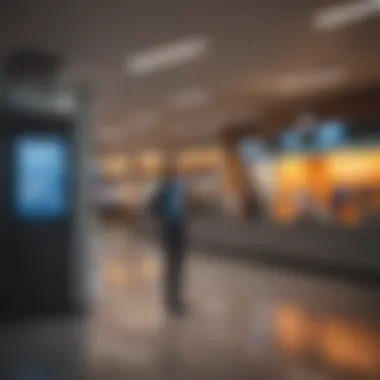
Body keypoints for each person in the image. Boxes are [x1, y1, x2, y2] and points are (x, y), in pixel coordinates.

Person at [149, 161, 187, 316]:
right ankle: (171, 299)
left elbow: (182, 208)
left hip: (179, 229)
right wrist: (162, 219)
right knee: (172, 265)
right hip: (170, 229)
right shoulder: (164, 189)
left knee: (177, 265)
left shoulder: (177, 188)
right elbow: (152, 206)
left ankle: (176, 297)